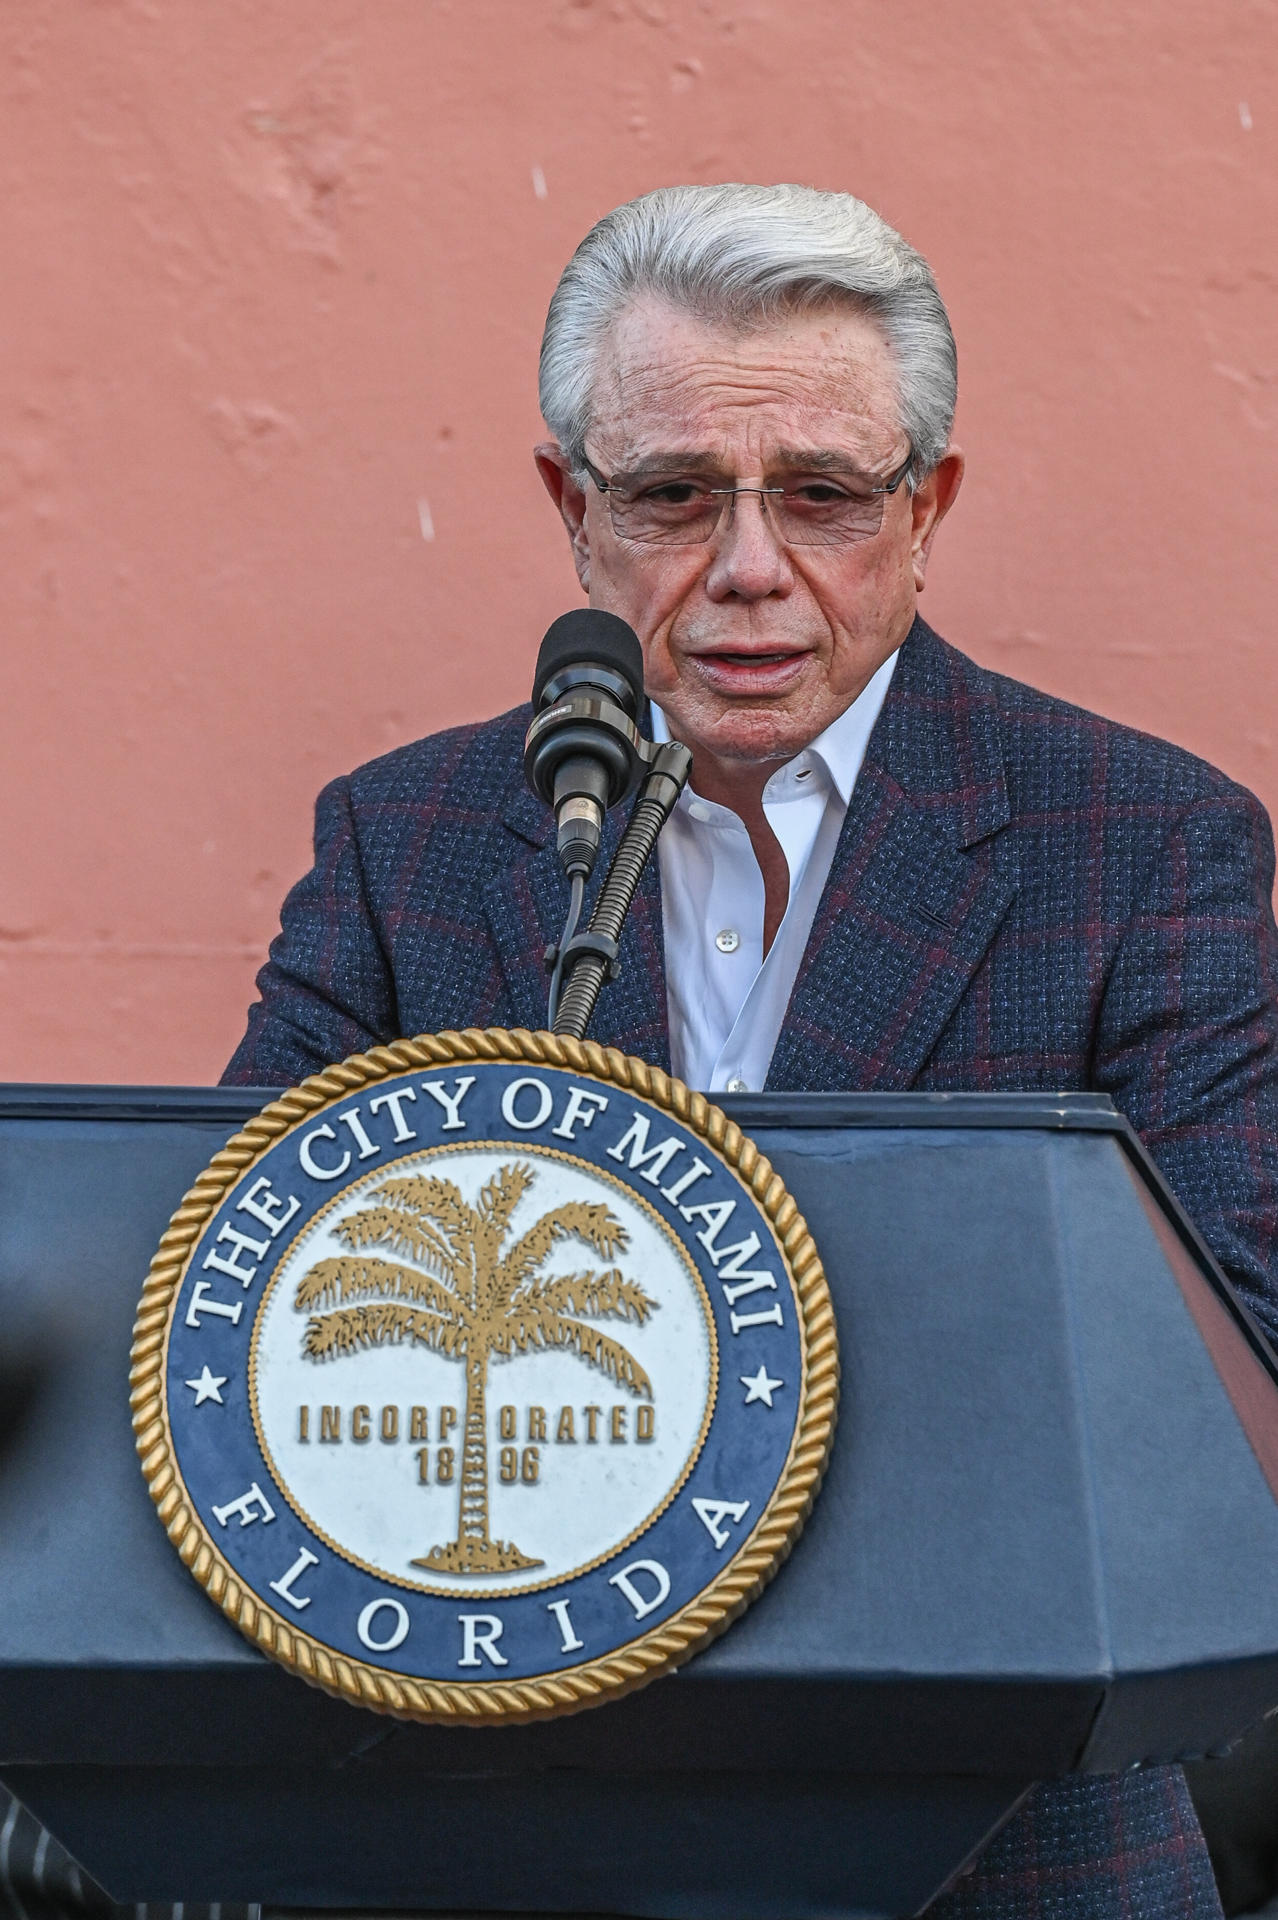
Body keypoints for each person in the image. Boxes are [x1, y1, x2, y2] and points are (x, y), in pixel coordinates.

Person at [223, 183, 1278, 1917]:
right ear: (571, 511)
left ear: (926, 508)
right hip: (481, 1832)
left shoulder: (1138, 839)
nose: (746, 569)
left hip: (1000, 1849)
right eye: (667, 496)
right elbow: (240, 1285)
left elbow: (1230, 1343)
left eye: (822, 495)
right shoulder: (405, 842)